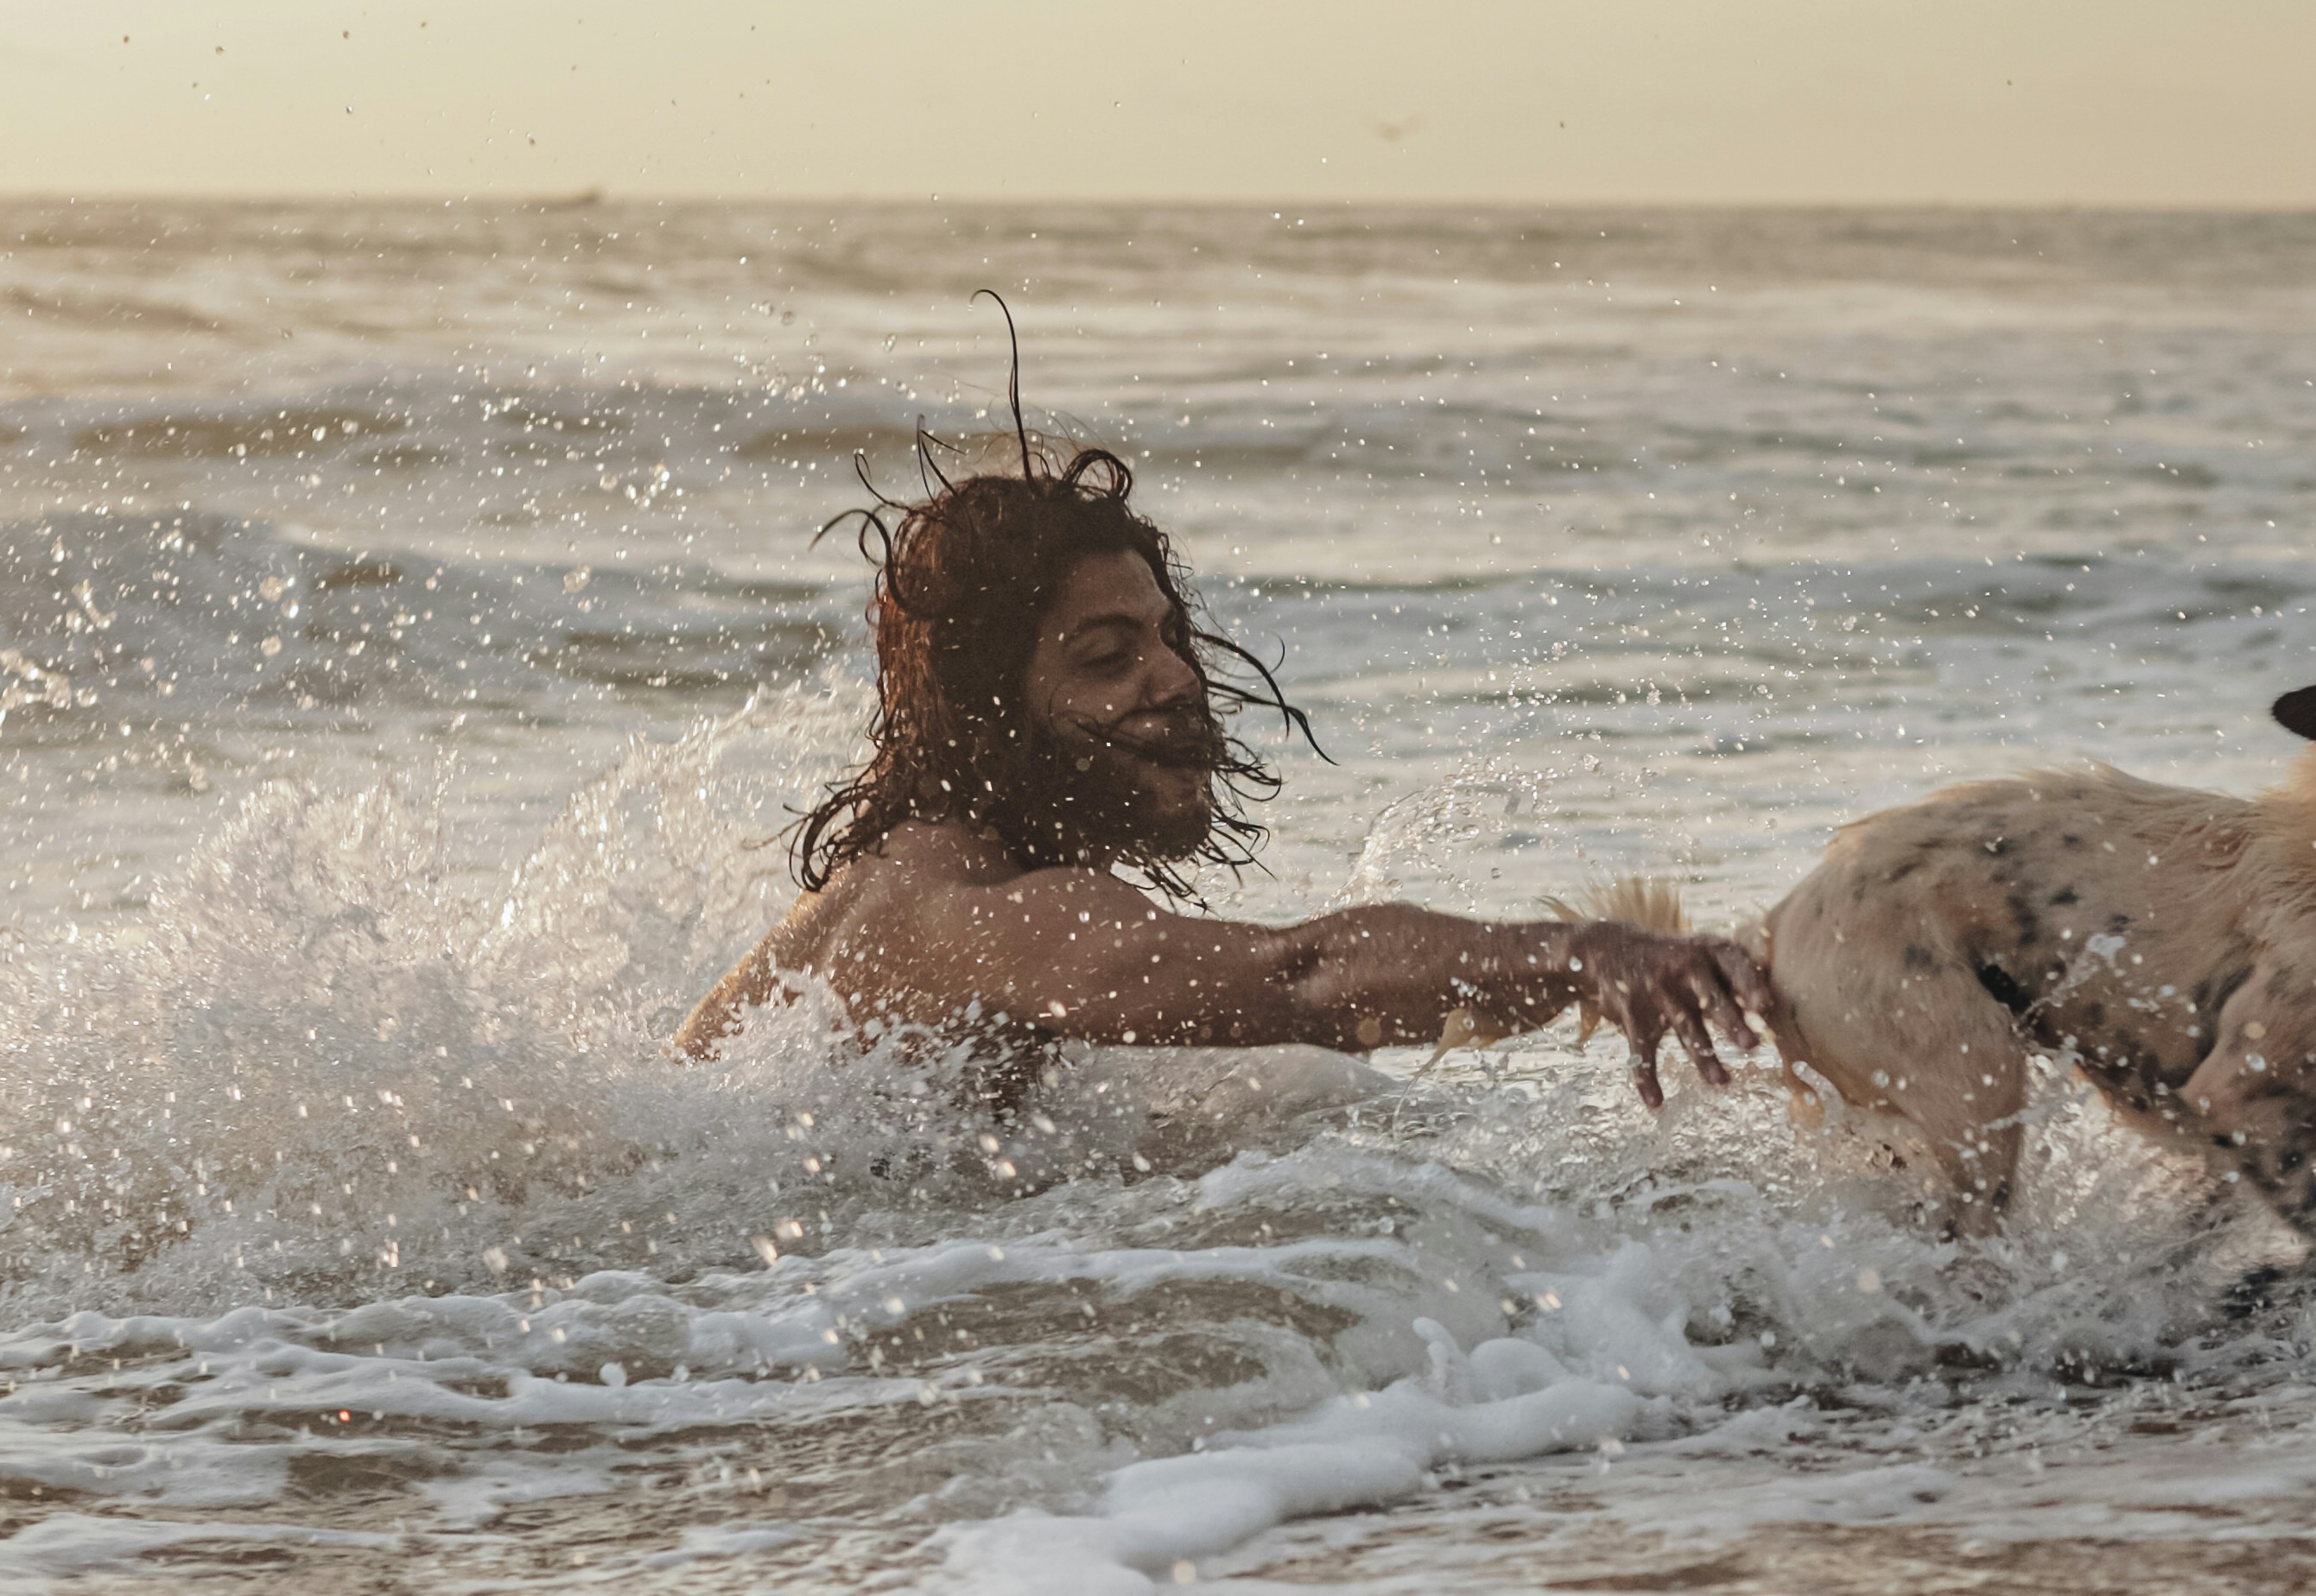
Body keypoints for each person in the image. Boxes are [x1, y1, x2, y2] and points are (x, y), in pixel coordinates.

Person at [679, 415, 1774, 1105]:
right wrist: (1584, 952)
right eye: (1108, 657)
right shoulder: (969, 908)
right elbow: (1298, 976)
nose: (1177, 682)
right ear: (986, 711)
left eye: (1170, 639)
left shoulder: (923, 886)